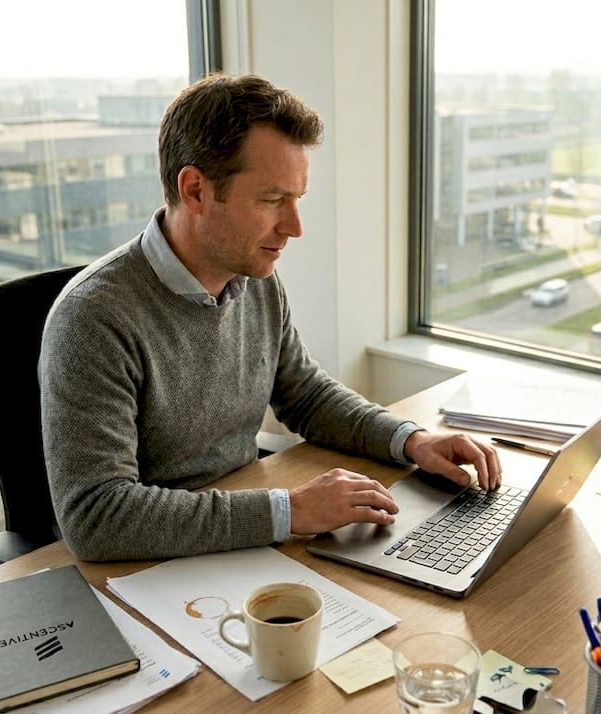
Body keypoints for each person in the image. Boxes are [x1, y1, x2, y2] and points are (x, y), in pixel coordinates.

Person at [38, 73, 500, 562]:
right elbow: (97, 517)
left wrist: (411, 440)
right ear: (195, 190)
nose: (294, 227)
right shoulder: (93, 318)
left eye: (297, 200)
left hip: (237, 542)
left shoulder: (255, 279)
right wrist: (288, 511)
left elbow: (306, 396)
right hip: (145, 570)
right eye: (273, 200)